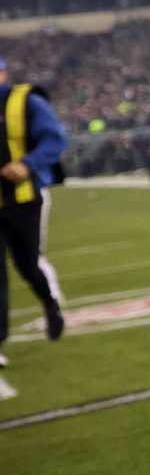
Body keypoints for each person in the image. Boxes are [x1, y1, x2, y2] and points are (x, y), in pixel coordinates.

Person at [0, 52, 68, 367]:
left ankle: (51, 305)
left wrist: (28, 164)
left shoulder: (25, 101)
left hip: (23, 199)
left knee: (28, 264)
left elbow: (55, 139)